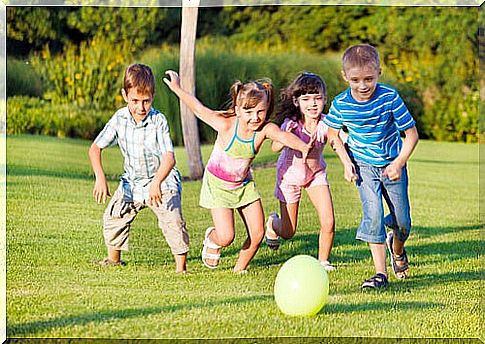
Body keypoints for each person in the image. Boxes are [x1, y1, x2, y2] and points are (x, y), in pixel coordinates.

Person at [163, 70, 313, 273]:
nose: (255, 117)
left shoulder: (264, 130)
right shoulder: (225, 124)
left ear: (266, 108)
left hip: (243, 185)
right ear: (238, 109)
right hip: (217, 186)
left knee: (258, 232)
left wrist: (303, 147)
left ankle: (239, 269)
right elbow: (198, 109)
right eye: (248, 112)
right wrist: (177, 89)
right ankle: (213, 239)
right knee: (227, 237)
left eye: (260, 111)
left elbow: (283, 136)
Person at [324, 44, 419, 289]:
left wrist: (399, 163)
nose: (363, 85)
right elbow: (332, 134)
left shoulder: (389, 97)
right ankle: (380, 274)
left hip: (392, 164)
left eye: (369, 78)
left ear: (379, 72)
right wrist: (346, 163)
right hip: (363, 165)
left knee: (403, 223)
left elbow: (411, 135)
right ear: (345, 77)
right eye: (355, 80)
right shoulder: (341, 103)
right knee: (373, 214)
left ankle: (396, 249)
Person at [88, 63, 189, 273]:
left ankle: (181, 268)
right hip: (132, 182)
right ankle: (114, 259)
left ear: (152, 96)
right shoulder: (119, 118)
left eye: (146, 101)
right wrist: (100, 177)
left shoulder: (158, 121)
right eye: (135, 101)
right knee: (114, 215)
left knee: (173, 220)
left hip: (162, 179)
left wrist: (157, 183)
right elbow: (95, 148)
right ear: (125, 95)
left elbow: (169, 158)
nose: (140, 107)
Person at [265, 72, 346, 272]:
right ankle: (273, 224)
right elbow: (275, 147)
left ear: (325, 99)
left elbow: (340, 139)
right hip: (289, 178)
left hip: (315, 175)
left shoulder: (326, 123)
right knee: (288, 231)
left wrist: (349, 155)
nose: (312, 104)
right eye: (306, 99)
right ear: (296, 101)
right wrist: (287, 135)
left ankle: (323, 261)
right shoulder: (291, 124)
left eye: (317, 98)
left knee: (329, 220)